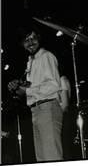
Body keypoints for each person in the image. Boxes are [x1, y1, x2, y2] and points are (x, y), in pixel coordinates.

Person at [8, 24, 65, 161]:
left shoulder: (46, 56)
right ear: (22, 44)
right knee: (42, 158)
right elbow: (36, 86)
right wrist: (19, 85)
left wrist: (27, 91)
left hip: (48, 108)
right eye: (26, 40)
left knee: (52, 157)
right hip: (37, 111)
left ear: (39, 39)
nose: (30, 42)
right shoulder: (31, 61)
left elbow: (54, 85)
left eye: (33, 38)